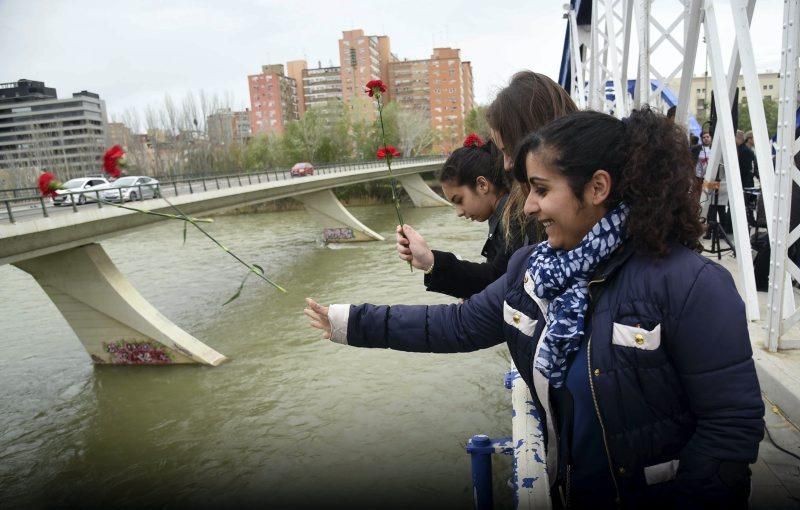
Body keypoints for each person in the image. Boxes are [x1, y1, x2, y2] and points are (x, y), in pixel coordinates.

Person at [305, 107, 764, 509]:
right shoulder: (534, 271)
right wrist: (350, 321)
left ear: (598, 187)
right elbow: (458, 325)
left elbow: (730, 428)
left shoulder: (691, 285)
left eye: (541, 189)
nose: (527, 206)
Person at [396, 71, 578, 296]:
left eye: (509, 150)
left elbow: (499, 287)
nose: (507, 165)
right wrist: (431, 262)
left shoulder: (517, 216)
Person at [397, 133, 514, 299]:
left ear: (482, 185)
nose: (459, 212)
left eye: (459, 200)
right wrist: (428, 261)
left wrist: (431, 262)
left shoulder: (514, 217)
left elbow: (496, 280)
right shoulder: (502, 212)